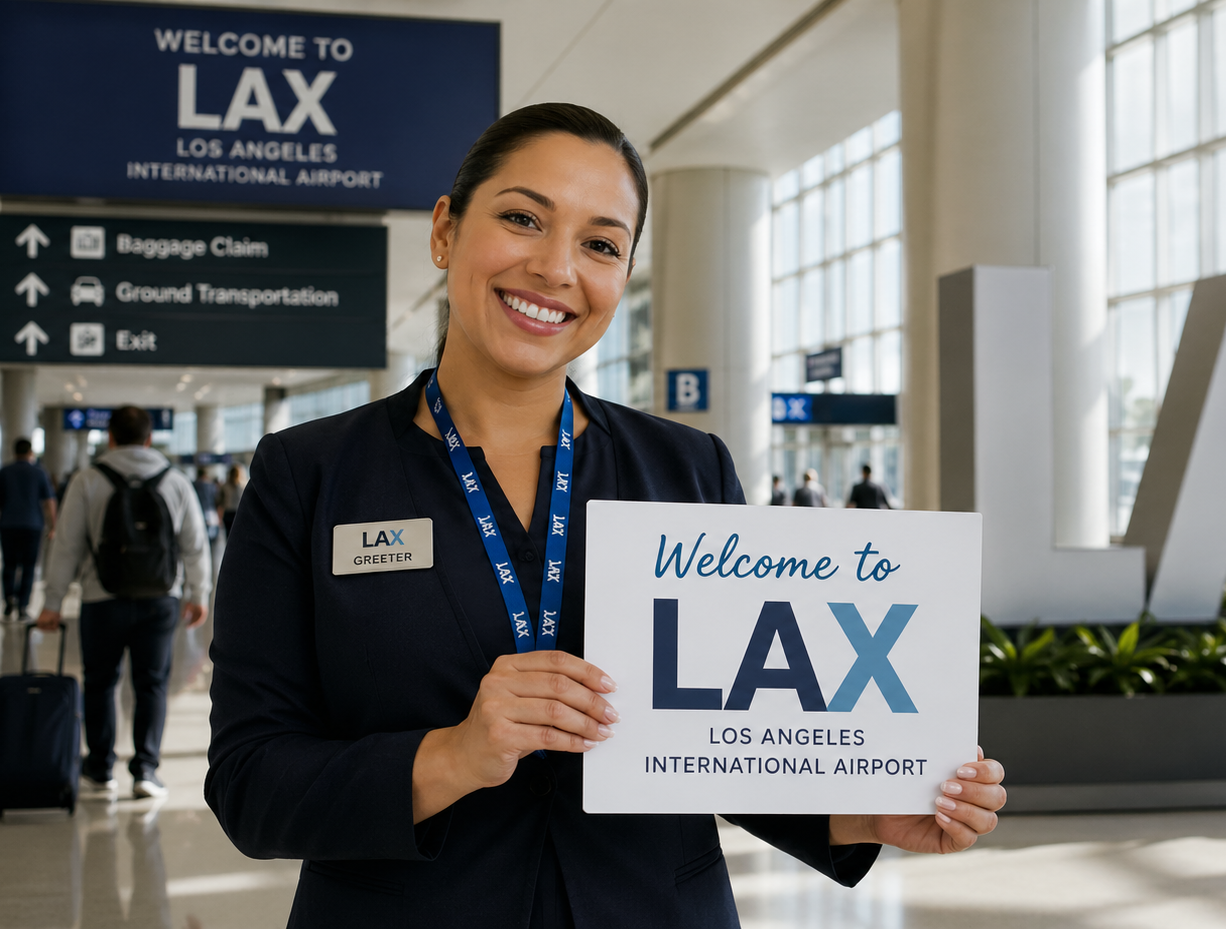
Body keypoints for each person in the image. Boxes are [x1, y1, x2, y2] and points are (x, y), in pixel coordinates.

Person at [205, 103, 1005, 928]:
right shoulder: (309, 475)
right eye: (522, 218)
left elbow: (720, 744)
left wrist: (862, 815)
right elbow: (249, 781)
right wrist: (453, 755)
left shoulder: (685, 469)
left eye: (600, 244)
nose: (555, 268)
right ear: (445, 231)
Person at [37, 406, 211, 801]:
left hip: (102, 599)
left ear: (111, 437)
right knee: (151, 683)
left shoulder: (88, 479)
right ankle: (145, 771)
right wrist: (199, 594)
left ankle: (100, 769)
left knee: (100, 682)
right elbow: (194, 544)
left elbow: (67, 544)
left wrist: (52, 601)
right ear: (149, 438)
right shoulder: (176, 480)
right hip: (160, 600)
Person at [0, 437, 57, 616]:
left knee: (9, 564)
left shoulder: (4, 472)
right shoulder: (39, 473)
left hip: (8, 524)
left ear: (14, 452)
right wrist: (53, 526)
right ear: (30, 452)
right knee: (29, 566)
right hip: (32, 525)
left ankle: (9, 601)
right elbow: (49, 501)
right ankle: (23, 605)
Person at [215, 465, 245, 536]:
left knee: (228, 536)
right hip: (239, 513)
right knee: (239, 536)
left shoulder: (225, 486)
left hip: (228, 513)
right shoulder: (243, 486)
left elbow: (219, 501)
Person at [193, 466, 220, 544]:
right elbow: (216, 499)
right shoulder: (211, 485)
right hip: (211, 511)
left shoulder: (194, 485)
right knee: (212, 535)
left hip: (199, 510)